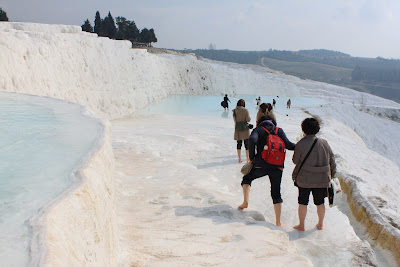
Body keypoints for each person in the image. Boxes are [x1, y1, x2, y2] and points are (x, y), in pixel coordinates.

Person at [238, 115, 295, 227]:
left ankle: (245, 202)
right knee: (276, 191)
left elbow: (252, 139)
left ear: (259, 122)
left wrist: (252, 157)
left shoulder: (258, 129)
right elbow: (289, 145)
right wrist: (303, 146)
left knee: (247, 178)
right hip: (277, 166)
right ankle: (278, 222)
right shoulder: (279, 131)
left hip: (260, 164)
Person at [292, 118, 336, 231]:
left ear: (304, 129)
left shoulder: (301, 144)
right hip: (322, 179)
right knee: (320, 202)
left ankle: (301, 225)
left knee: (302, 202)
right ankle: (320, 224)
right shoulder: (324, 143)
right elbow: (332, 160)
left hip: (304, 179)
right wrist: (333, 175)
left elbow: (295, 161)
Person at [233, 99, 251, 163]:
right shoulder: (245, 110)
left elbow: (235, 120)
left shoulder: (234, 111)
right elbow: (248, 120)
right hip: (245, 129)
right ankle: (248, 159)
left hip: (238, 129)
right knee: (247, 144)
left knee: (239, 144)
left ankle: (239, 158)